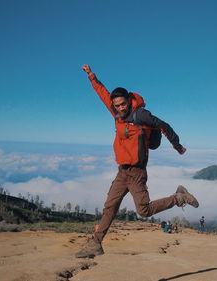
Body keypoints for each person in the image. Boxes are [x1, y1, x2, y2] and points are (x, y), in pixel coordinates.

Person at [75, 65, 199, 258]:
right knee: (110, 207)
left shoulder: (140, 115)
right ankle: (96, 244)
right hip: (122, 172)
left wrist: (177, 146)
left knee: (144, 210)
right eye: (117, 105)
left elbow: (163, 125)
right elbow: (102, 93)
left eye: (123, 104)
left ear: (128, 101)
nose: (120, 108)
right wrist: (91, 76)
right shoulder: (117, 114)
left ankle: (179, 197)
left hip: (137, 172)